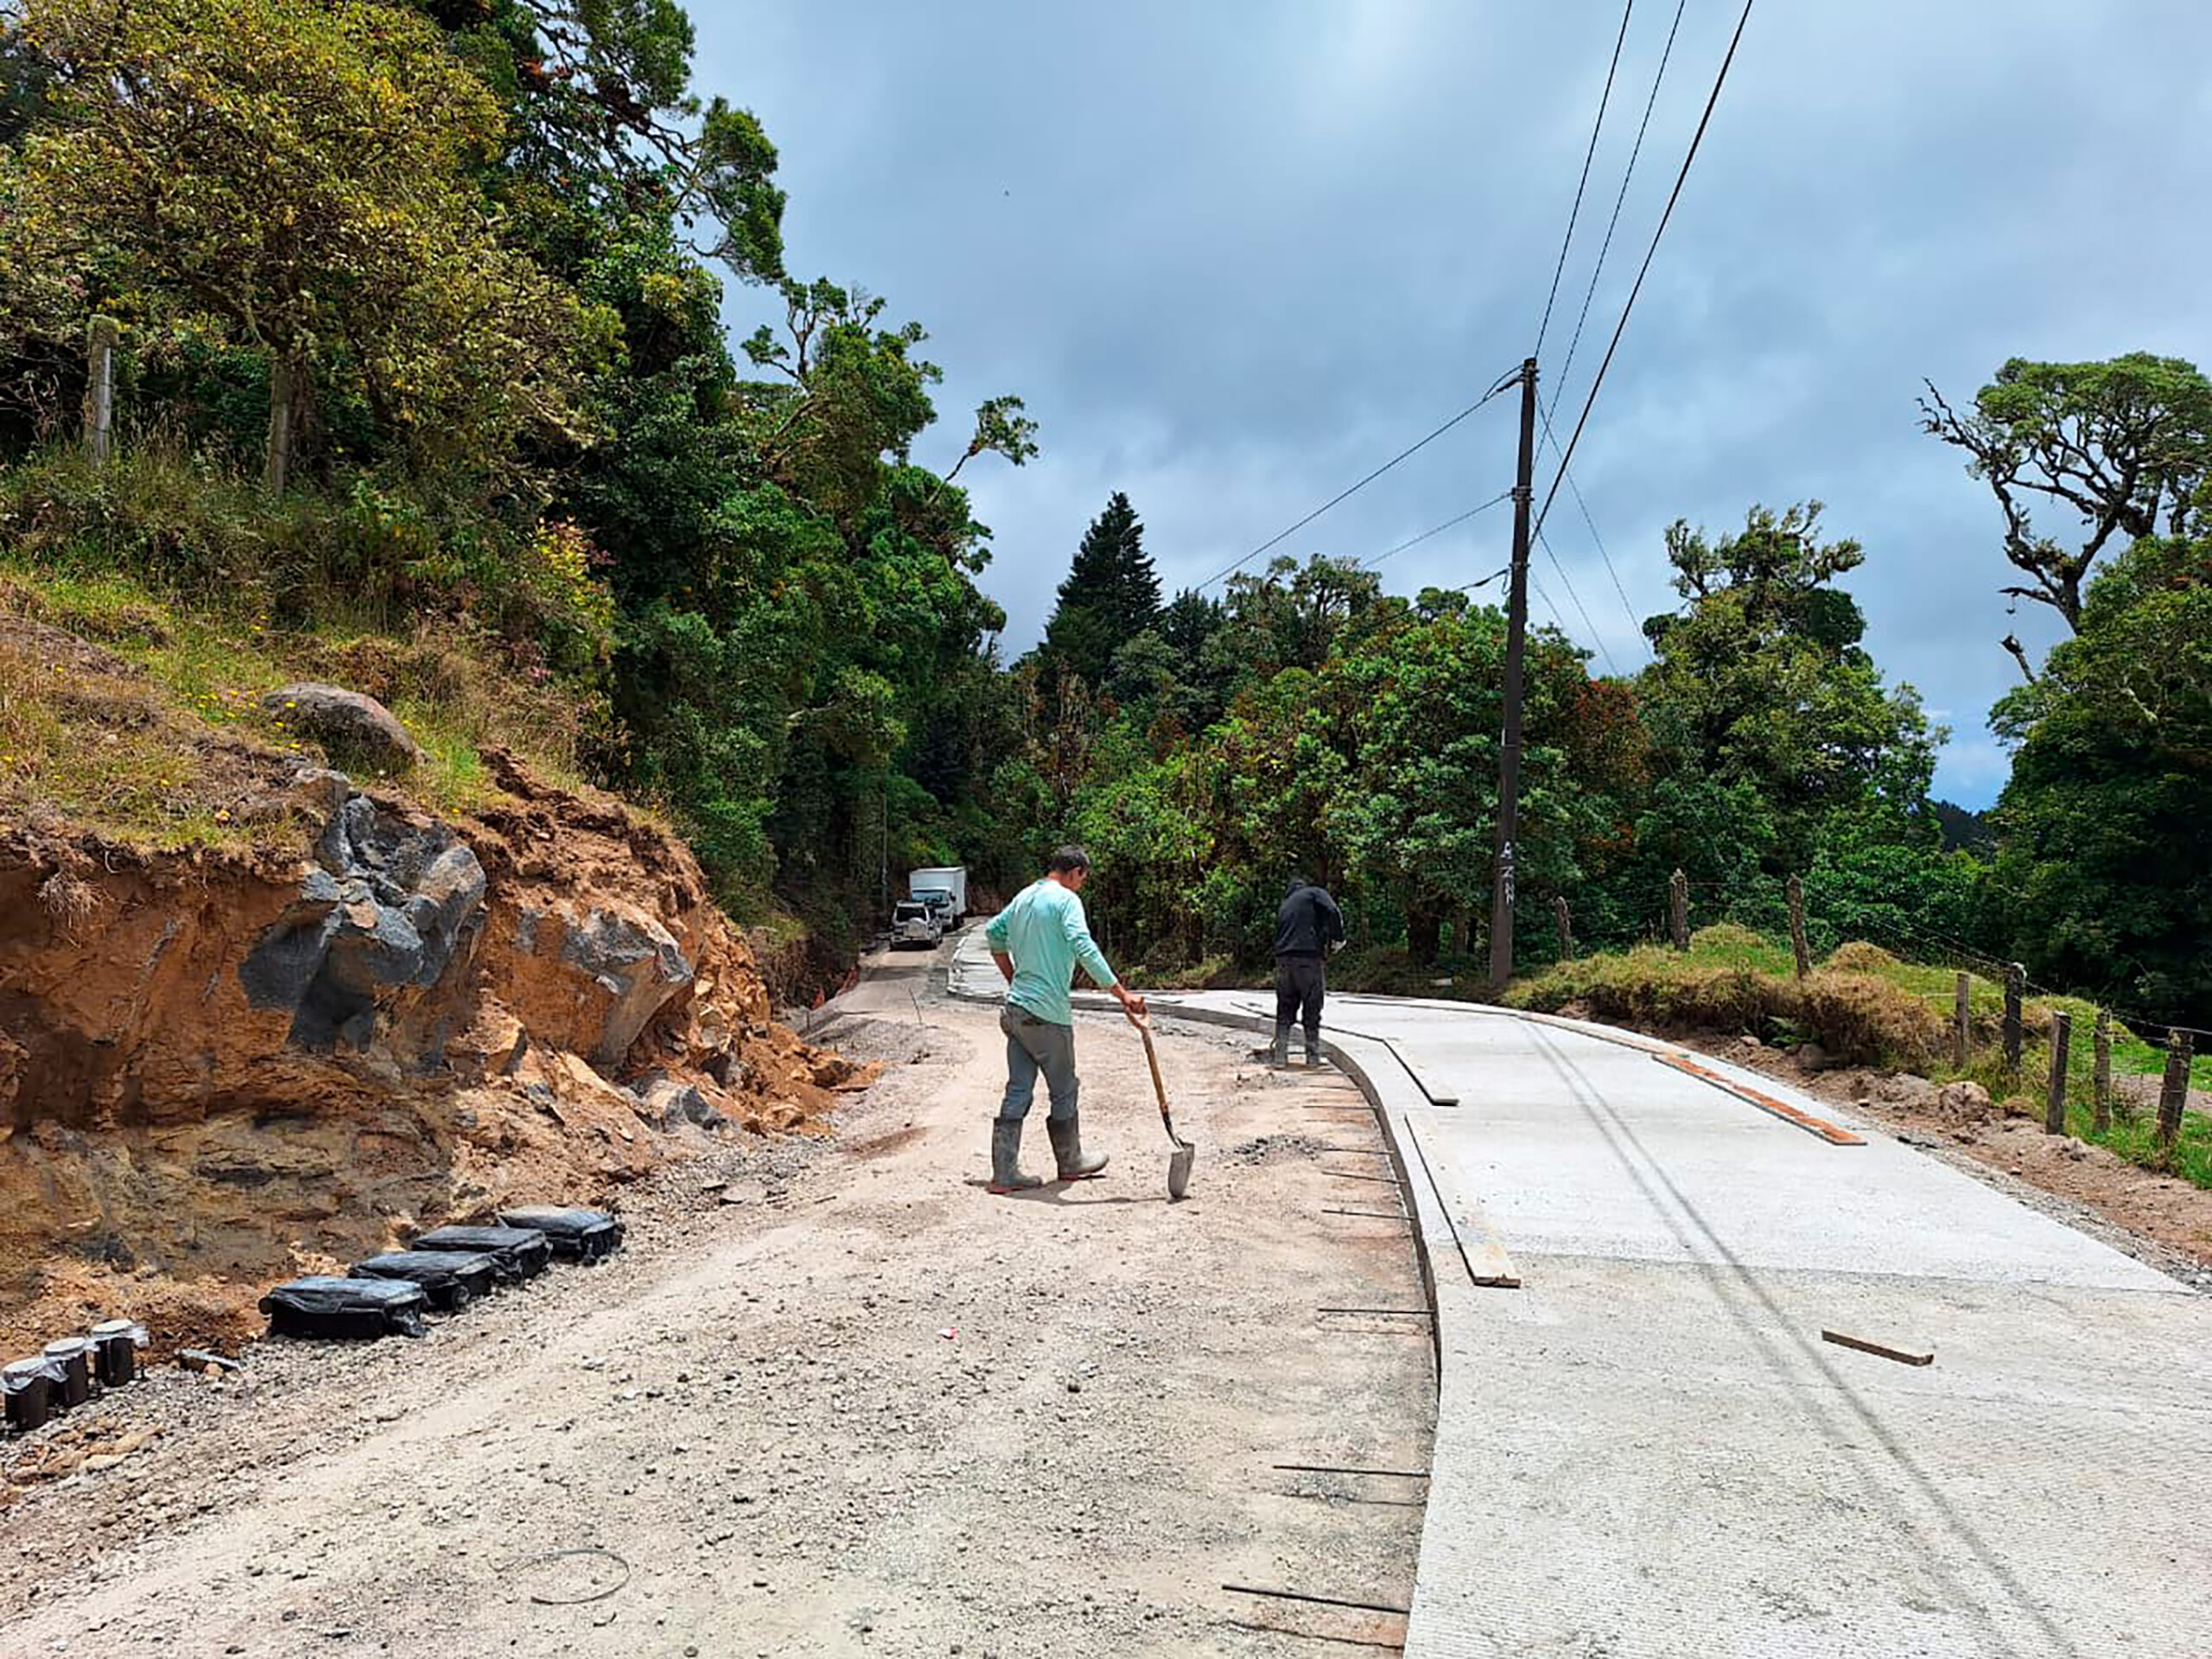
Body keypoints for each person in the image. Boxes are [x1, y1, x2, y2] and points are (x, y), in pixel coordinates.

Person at [982, 845, 1147, 1193]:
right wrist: (1122, 994)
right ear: (1074, 872)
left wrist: (1013, 979)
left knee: (1018, 1088)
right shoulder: (1066, 901)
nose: (1080, 886)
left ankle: (1004, 1174)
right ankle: (1070, 1161)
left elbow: (993, 933)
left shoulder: (1024, 897)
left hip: (1016, 1010)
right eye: (1082, 879)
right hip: (1047, 1014)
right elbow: (1083, 946)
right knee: (1064, 1089)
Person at [1271, 874, 1344, 1066]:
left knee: (1285, 1009)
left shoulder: (1285, 905)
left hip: (1283, 962)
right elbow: (1332, 910)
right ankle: (1312, 1057)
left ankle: (1280, 1056)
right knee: (1312, 1006)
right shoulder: (1314, 893)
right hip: (1308, 959)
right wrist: (1338, 938)